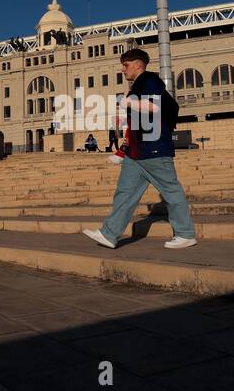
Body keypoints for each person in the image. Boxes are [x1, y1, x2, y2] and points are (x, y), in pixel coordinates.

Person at [83, 47, 196, 250]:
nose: (123, 70)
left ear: (138, 65)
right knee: (124, 193)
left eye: (126, 66)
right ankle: (109, 234)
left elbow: (155, 106)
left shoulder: (149, 79)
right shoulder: (137, 86)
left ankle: (185, 234)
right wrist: (123, 151)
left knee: (171, 191)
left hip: (154, 149)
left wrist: (127, 102)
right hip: (136, 154)